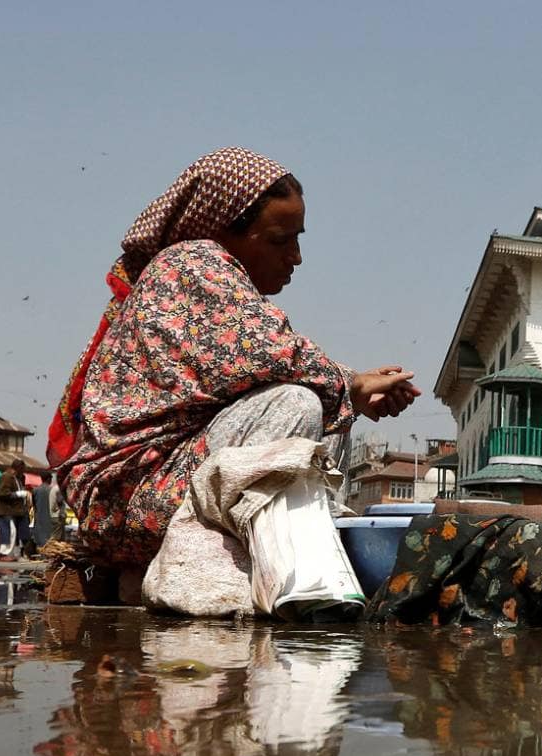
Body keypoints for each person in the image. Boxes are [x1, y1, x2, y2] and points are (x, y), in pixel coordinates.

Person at [48, 147, 418, 596]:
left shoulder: (216, 283)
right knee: (299, 402)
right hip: (126, 499)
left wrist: (349, 392)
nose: (296, 257)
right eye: (281, 240)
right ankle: (285, 579)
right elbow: (267, 354)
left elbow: (275, 360)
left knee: (324, 405)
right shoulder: (191, 263)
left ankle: (197, 572)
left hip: (160, 485)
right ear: (224, 232)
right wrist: (351, 384)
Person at [0, 461, 34, 560]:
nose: (23, 472)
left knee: (14, 533)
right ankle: (4, 554)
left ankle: (13, 554)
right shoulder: (6, 477)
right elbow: (2, 493)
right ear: (18, 468)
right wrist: (19, 494)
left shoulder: (18, 478)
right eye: (22, 469)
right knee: (8, 532)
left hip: (15, 511)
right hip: (5, 510)